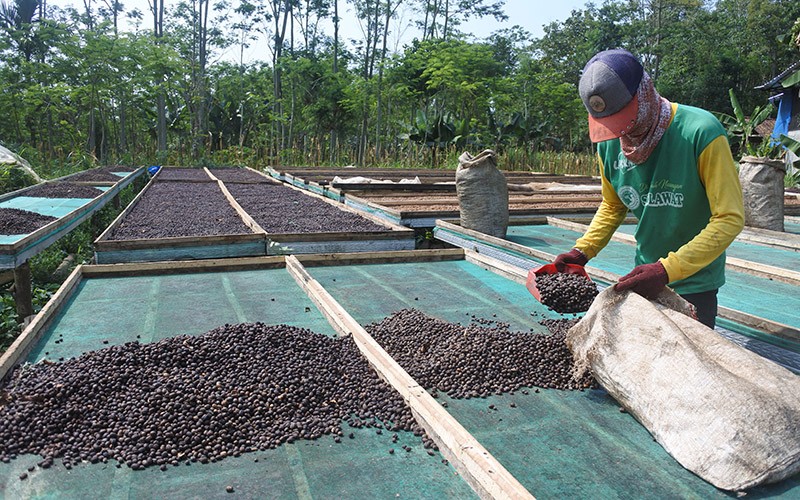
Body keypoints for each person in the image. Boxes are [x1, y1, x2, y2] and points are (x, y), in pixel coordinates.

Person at [552, 49, 744, 329]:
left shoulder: (700, 132)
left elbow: (729, 218)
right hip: (644, 275)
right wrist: (582, 251)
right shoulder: (610, 143)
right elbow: (613, 204)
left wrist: (666, 270)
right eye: (614, 125)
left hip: (694, 280)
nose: (623, 132)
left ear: (644, 93)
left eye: (625, 120)